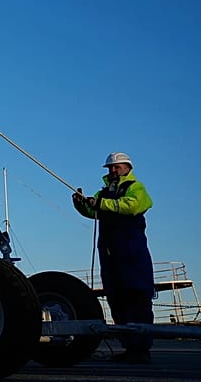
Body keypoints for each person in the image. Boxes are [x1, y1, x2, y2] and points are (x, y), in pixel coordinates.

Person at [72, 152, 154, 364]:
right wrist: (81, 204)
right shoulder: (105, 192)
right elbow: (94, 211)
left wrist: (100, 204)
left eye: (116, 167)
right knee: (116, 299)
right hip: (110, 254)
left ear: (127, 168)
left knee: (137, 297)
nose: (112, 171)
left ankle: (141, 349)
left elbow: (133, 206)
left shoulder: (136, 187)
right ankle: (129, 347)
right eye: (110, 168)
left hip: (132, 253)